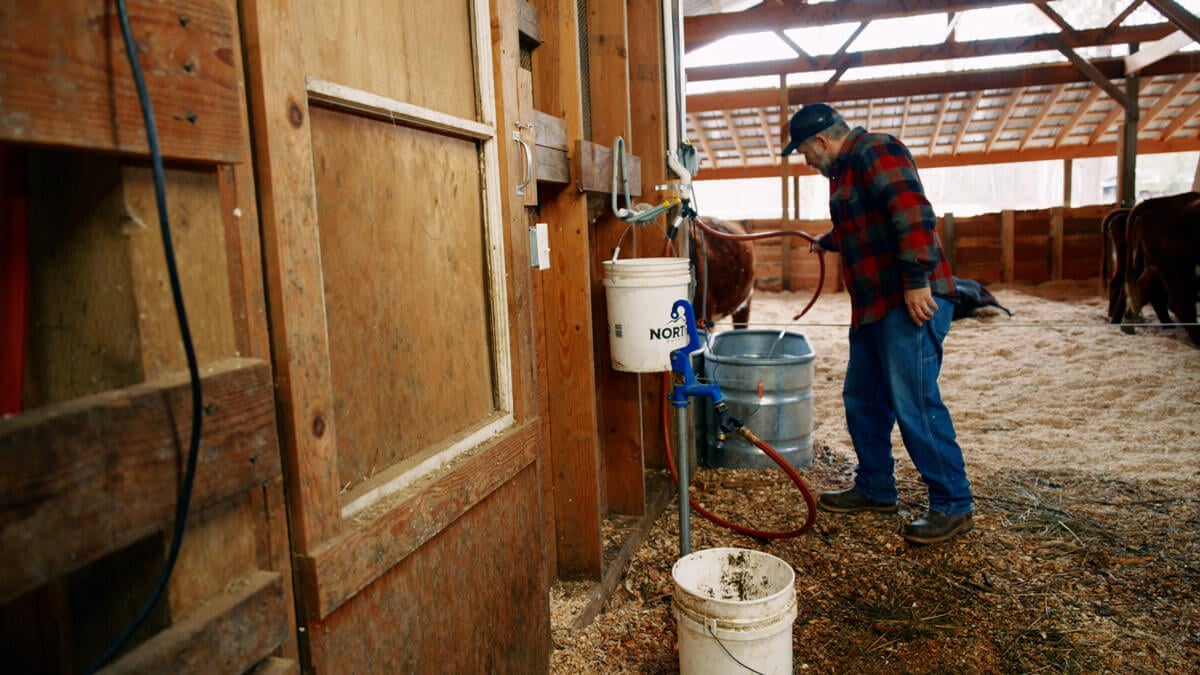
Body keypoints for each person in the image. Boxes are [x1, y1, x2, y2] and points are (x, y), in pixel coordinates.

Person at [781, 102, 974, 545]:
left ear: (822, 141)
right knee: (863, 398)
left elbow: (912, 214)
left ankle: (953, 504)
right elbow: (867, 223)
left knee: (915, 402)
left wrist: (915, 281)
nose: (807, 162)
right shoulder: (846, 171)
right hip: (873, 305)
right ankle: (875, 487)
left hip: (907, 300)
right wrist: (828, 241)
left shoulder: (876, 150)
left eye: (806, 153)